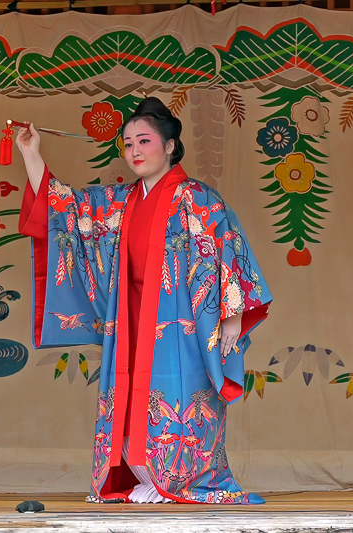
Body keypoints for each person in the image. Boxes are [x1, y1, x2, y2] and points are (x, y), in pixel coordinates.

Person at [16, 97, 272, 504]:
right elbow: (66, 206)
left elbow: (226, 251)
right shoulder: (120, 201)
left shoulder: (199, 199)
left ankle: (180, 480)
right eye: (128, 143)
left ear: (170, 146)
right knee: (130, 395)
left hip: (183, 323)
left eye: (144, 141)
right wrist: (32, 154)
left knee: (180, 396)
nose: (134, 151)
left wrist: (232, 315)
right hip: (131, 319)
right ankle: (141, 474)